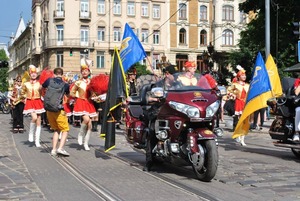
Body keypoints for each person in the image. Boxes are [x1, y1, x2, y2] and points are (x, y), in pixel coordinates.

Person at [70, 58, 97, 150]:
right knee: (86, 119)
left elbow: (94, 93)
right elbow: (71, 92)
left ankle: (86, 143)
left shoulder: (92, 82)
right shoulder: (78, 82)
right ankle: (80, 134)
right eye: (83, 71)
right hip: (81, 102)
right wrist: (77, 97)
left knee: (90, 125)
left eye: (86, 71)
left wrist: (95, 96)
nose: (84, 72)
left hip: (89, 103)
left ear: (89, 72)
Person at [42, 67, 70, 156]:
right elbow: (68, 96)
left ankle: (53, 150)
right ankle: (60, 148)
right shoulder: (65, 85)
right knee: (65, 130)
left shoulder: (48, 81)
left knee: (56, 130)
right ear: (62, 75)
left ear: (54, 74)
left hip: (49, 110)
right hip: (59, 110)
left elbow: (41, 88)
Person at [21, 65, 45, 147]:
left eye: (35, 73)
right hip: (30, 102)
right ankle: (31, 133)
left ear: (37, 74)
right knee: (34, 118)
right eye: (32, 73)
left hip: (38, 102)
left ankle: (37, 141)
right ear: (30, 74)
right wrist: (24, 98)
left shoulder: (39, 83)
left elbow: (43, 93)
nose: (33, 74)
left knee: (39, 122)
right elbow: (22, 92)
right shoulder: (26, 84)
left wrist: (42, 90)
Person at [228, 65, 249, 146]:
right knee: (239, 121)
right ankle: (238, 135)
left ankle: (242, 138)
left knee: (245, 121)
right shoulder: (235, 84)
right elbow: (229, 90)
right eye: (242, 75)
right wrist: (232, 95)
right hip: (238, 103)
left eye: (245, 75)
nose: (244, 76)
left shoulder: (247, 85)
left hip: (245, 104)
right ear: (239, 76)